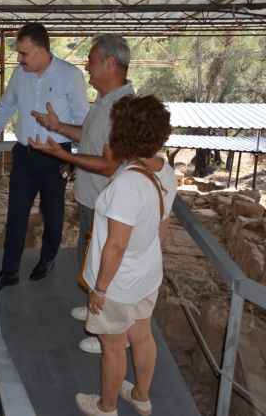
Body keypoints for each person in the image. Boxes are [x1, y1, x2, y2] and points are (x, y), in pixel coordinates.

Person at [30, 34, 134, 353]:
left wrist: (65, 157)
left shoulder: (122, 108)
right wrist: (59, 126)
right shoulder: (104, 101)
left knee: (105, 265)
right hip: (92, 199)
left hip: (107, 203)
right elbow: (88, 138)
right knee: (89, 258)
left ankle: (106, 335)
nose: (86, 66)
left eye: (91, 60)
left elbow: (108, 164)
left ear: (110, 64)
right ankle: (94, 309)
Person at [72, 94, 174, 416]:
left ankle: (107, 406)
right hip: (147, 275)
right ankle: (141, 396)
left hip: (118, 285)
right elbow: (161, 228)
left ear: (124, 133)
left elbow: (115, 246)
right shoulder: (163, 169)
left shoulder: (127, 185)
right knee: (142, 336)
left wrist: (100, 289)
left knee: (113, 347)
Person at [0, 23, 89, 291]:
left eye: (24, 53)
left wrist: (76, 156)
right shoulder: (19, 75)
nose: (20, 59)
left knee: (53, 213)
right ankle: (9, 270)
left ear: (41, 51)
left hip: (56, 156)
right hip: (25, 155)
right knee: (16, 213)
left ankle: (47, 260)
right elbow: (7, 105)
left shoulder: (70, 75)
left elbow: (83, 120)